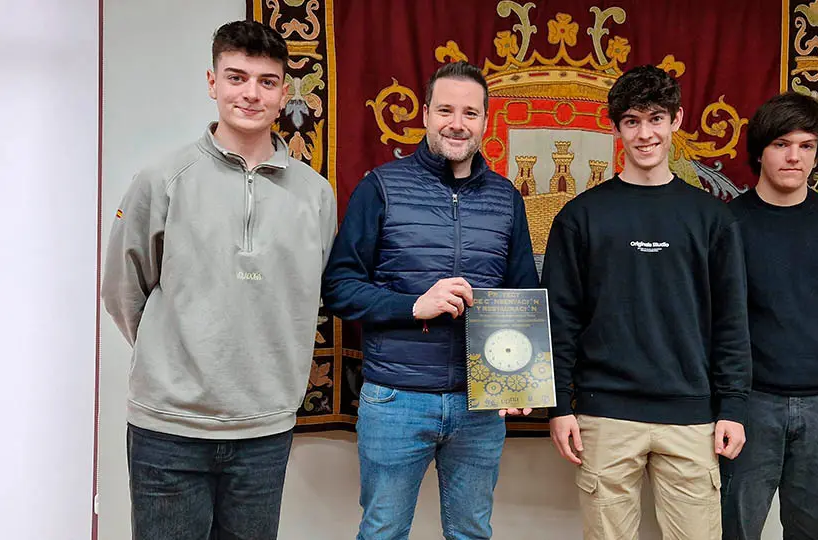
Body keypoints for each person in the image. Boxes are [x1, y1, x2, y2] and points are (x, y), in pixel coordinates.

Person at [101, 20, 337, 540]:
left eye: (267, 81)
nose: (251, 93)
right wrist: (178, 356)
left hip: (264, 428)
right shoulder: (162, 179)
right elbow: (123, 291)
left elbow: (307, 289)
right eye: (236, 77)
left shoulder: (316, 196)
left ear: (283, 93)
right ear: (213, 83)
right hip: (169, 428)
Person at [321, 60, 539, 540]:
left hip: (480, 409)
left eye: (470, 113)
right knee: (382, 531)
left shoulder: (506, 198)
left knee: (471, 533)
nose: (457, 123)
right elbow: (338, 287)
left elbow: (522, 297)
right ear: (424, 114)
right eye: (445, 110)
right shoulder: (381, 187)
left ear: (486, 121)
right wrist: (412, 306)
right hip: (396, 398)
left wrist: (518, 384)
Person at [541, 64, 752, 540]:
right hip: (604, 415)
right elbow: (561, 319)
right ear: (615, 127)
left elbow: (731, 320)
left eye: (655, 118)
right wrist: (558, 406)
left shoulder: (712, 219)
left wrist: (734, 406)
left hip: (692, 416)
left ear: (676, 120)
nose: (645, 133)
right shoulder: (581, 217)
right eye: (632, 121)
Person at [720, 92, 818, 540]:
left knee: (815, 528)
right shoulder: (727, 225)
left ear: (817, 154)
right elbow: (712, 319)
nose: (794, 156)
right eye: (781, 144)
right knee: (734, 526)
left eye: (806, 146)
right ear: (760, 151)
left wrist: (815, 357)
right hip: (749, 402)